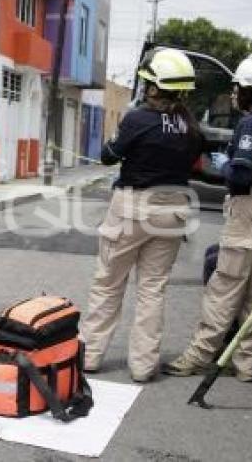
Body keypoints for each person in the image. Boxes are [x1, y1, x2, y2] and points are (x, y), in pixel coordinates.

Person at [163, 51, 252, 382]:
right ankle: (248, 365)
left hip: (250, 211)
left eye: (237, 87)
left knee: (225, 286)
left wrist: (228, 166)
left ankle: (199, 356)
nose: (234, 93)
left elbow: (242, 175)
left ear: (251, 89)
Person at [81, 47, 203, 383]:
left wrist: (112, 144)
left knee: (108, 283)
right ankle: (143, 366)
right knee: (153, 289)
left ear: (153, 86)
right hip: (174, 210)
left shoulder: (137, 119)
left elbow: (109, 157)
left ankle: (89, 355)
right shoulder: (190, 127)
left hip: (134, 208)